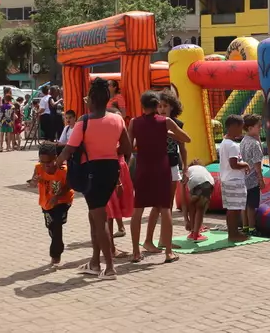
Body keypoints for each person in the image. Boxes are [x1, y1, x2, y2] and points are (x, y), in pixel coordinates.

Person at [56, 78, 132, 280]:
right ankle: (95, 263)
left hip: (91, 172)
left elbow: (69, 149)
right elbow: (126, 148)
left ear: (90, 100)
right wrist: (110, 151)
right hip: (111, 169)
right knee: (95, 216)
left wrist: (56, 163)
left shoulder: (84, 121)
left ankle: (109, 268)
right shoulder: (117, 119)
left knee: (99, 220)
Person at [129, 91, 193, 263]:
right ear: (157, 105)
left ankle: (136, 252)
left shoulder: (134, 122)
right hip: (162, 169)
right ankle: (168, 252)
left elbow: (129, 147)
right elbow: (187, 139)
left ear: (142, 106)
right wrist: (170, 133)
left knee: (138, 210)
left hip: (142, 169)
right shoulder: (165, 122)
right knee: (165, 209)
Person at [145, 90, 190, 252]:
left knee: (168, 205)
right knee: (158, 205)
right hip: (158, 165)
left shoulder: (177, 124)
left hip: (172, 164)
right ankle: (148, 240)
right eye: (160, 106)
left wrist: (185, 167)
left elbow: (183, 148)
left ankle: (164, 239)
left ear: (172, 107)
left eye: (166, 106)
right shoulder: (153, 122)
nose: (162, 109)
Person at [27, 142, 74, 269]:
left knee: (57, 225)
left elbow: (69, 185)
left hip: (62, 201)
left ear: (55, 158)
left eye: (48, 163)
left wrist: (57, 196)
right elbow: (32, 183)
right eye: (42, 162)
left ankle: (55, 254)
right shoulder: (38, 168)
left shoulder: (63, 170)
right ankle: (57, 242)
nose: (45, 165)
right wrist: (33, 182)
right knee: (51, 227)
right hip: (46, 202)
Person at [217, 116, 251, 243]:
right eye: (240, 128)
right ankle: (233, 234)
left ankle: (233, 232)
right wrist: (246, 165)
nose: (241, 131)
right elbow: (234, 164)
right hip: (234, 180)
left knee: (231, 208)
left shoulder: (224, 143)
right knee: (235, 209)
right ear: (233, 127)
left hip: (227, 179)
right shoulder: (232, 145)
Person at [240, 114, 265, 234]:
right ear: (250, 128)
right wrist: (260, 179)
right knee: (251, 205)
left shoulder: (244, 141)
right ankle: (252, 227)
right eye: (258, 126)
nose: (260, 128)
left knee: (244, 204)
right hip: (252, 178)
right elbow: (257, 163)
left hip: (244, 177)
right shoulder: (254, 144)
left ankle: (245, 226)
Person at [184, 163, 214, 241]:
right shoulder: (203, 169)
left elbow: (184, 201)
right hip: (206, 182)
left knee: (192, 206)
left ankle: (193, 231)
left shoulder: (187, 171)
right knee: (200, 208)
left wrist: (186, 220)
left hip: (193, 183)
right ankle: (196, 235)